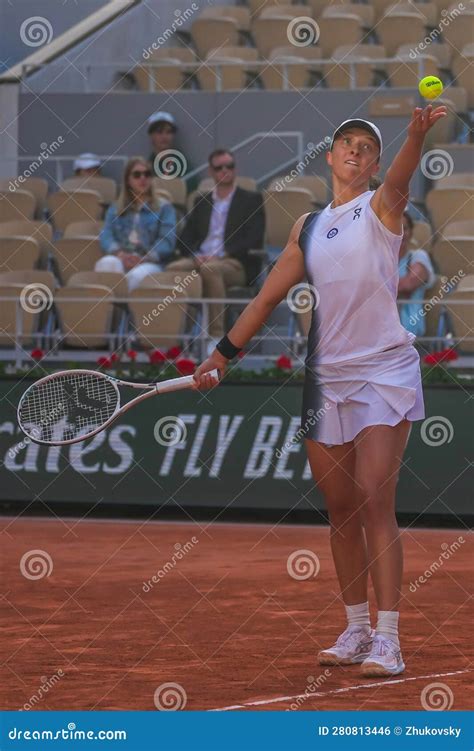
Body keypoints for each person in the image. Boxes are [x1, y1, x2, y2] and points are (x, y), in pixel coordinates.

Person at [193, 106, 447, 677]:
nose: (355, 151)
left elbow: (404, 177)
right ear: (330, 157)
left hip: (384, 371)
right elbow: (263, 301)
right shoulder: (308, 228)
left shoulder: (383, 205)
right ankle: (356, 627)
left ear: (375, 162)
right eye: (345, 144)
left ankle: (388, 637)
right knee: (340, 509)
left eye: (366, 146)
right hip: (326, 379)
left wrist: (414, 136)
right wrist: (221, 356)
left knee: (376, 499)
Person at [167, 148, 265, 351]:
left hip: (234, 262)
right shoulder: (201, 201)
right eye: (219, 167)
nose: (225, 171)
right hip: (201, 259)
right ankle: (174, 336)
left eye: (229, 166)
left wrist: (220, 255)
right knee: (172, 270)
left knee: (210, 269)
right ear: (211, 172)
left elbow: (254, 240)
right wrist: (196, 256)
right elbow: (184, 238)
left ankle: (216, 336)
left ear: (235, 168)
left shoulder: (251, 200)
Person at [95, 157, 176, 290]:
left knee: (135, 276)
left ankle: (128, 310)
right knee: (106, 263)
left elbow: (167, 240)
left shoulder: (164, 208)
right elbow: (106, 235)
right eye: (137, 175)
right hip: (122, 257)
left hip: (151, 262)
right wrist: (119, 253)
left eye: (147, 174)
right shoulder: (115, 208)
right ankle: (110, 310)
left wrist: (144, 258)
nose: (143, 178)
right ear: (128, 180)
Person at [398, 211, 436, 337]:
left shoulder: (418, 256)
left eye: (405, 228)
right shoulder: (380, 259)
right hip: (379, 331)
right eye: (395, 229)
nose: (401, 233)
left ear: (411, 232)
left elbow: (408, 284)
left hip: (408, 329)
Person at [147, 111, 196, 191]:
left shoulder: (182, 163)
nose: (164, 136)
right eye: (159, 132)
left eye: (169, 132)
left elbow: (192, 190)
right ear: (151, 135)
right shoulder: (145, 166)